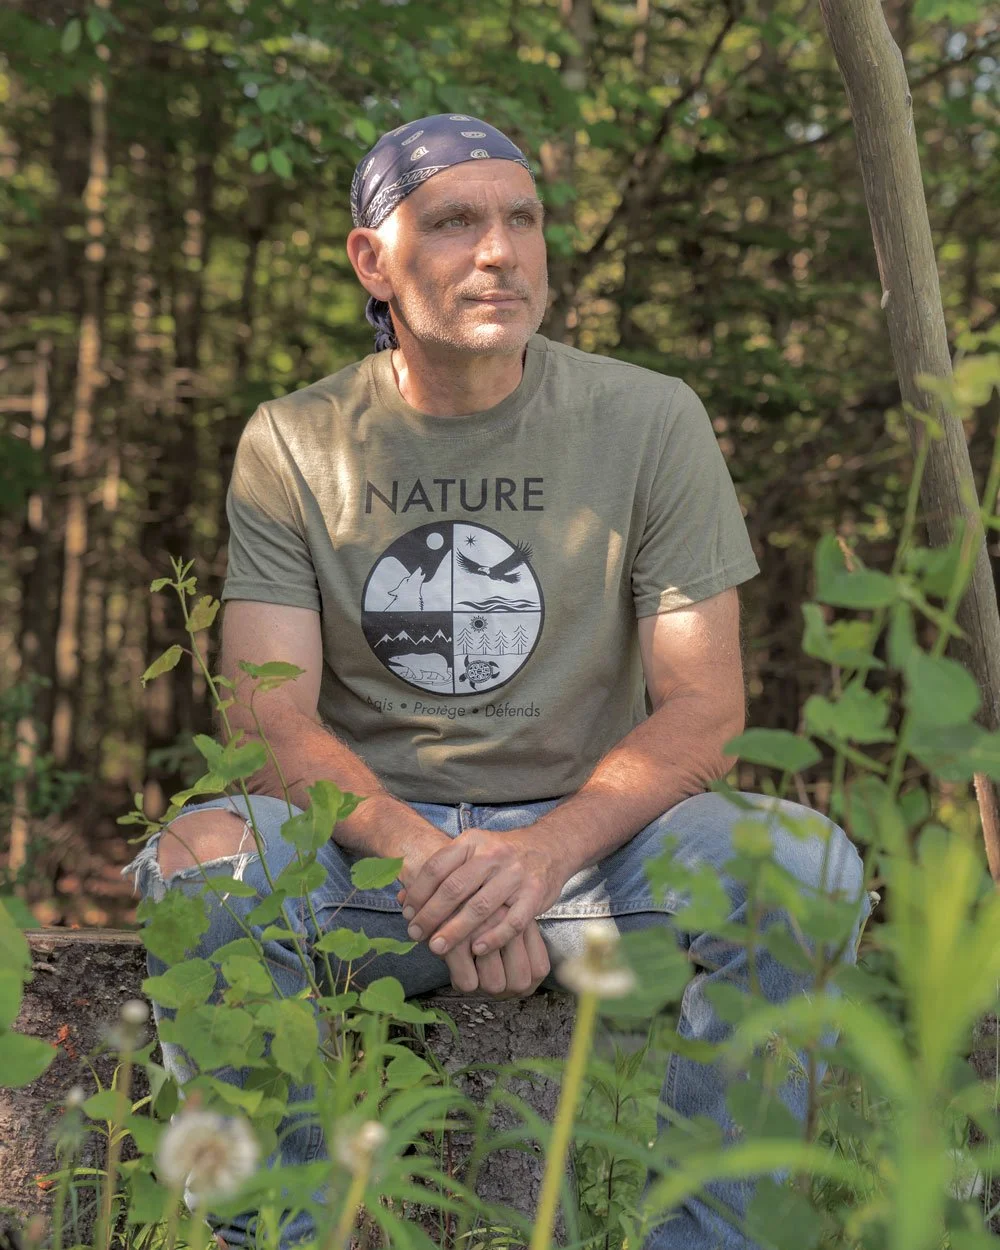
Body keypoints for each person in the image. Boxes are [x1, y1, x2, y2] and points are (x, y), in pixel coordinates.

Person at [124, 113, 869, 1250]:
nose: (499, 252)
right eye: (455, 220)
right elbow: (264, 715)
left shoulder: (646, 418)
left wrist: (535, 857)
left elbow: (708, 711)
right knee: (201, 866)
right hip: (375, 868)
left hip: (598, 863)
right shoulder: (293, 439)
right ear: (372, 259)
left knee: (806, 869)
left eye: (521, 218)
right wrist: (436, 861)